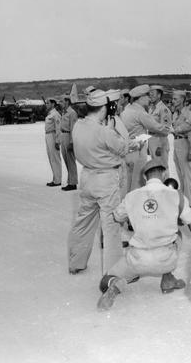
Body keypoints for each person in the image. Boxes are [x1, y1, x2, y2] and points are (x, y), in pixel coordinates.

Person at [96, 158, 191, 310]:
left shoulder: (131, 196)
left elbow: (117, 217)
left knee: (105, 280)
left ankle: (114, 285)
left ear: (144, 177)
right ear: (164, 174)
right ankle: (168, 278)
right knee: (177, 234)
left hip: (137, 259)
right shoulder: (175, 195)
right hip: (166, 258)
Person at [67, 89, 139, 275]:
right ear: (104, 107)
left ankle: (76, 262)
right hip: (105, 180)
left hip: (87, 178)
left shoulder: (78, 125)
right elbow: (122, 148)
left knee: (83, 222)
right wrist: (133, 143)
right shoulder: (103, 130)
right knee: (111, 226)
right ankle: (114, 273)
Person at [121, 84, 170, 193]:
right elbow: (155, 126)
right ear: (141, 97)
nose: (149, 98)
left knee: (127, 182)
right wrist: (170, 130)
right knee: (137, 183)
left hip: (127, 149)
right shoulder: (140, 112)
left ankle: (126, 206)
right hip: (138, 150)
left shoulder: (126, 110)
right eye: (147, 95)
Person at [171, 90, 191, 207]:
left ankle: (190, 203)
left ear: (182, 99)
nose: (173, 101)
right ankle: (185, 201)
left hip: (185, 142)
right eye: (173, 99)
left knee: (188, 176)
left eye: (175, 99)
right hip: (176, 143)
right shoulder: (175, 113)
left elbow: (190, 127)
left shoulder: (188, 111)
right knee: (181, 175)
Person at [148, 85, 173, 171]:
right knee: (155, 168)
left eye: (153, 94)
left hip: (160, 141)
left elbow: (165, 130)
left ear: (159, 95)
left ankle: (164, 184)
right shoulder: (151, 109)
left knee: (162, 167)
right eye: (150, 94)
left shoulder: (163, 109)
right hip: (152, 139)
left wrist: (159, 146)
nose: (150, 95)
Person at [60, 95, 79, 191]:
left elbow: (73, 128)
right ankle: (70, 181)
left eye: (62, 101)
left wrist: (72, 142)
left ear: (67, 101)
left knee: (71, 161)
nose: (60, 103)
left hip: (69, 136)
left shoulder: (72, 113)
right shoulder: (64, 112)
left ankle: (73, 183)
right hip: (63, 135)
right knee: (66, 160)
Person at [43, 98, 62, 187]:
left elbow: (58, 128)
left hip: (53, 136)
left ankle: (58, 180)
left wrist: (57, 141)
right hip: (48, 135)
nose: (46, 104)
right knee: (51, 158)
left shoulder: (56, 114)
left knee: (55, 159)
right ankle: (55, 178)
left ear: (53, 104)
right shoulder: (50, 114)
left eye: (48, 103)